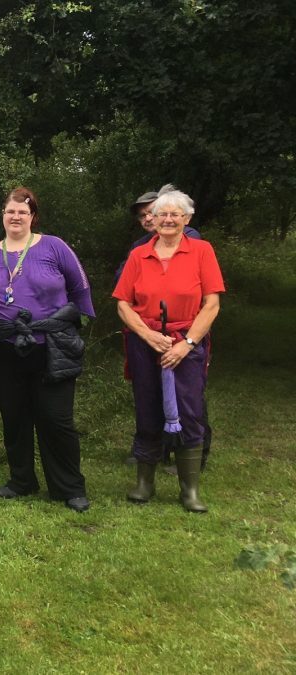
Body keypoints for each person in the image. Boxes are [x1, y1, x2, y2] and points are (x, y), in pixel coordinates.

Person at [0, 187, 94, 512]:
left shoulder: (54, 247)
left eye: (23, 212)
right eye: (11, 211)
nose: (16, 217)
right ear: (3, 215)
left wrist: (73, 326)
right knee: (15, 417)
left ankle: (69, 487)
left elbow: (80, 288)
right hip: (6, 350)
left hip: (50, 347)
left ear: (32, 216)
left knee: (56, 419)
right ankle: (21, 480)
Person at [114, 185, 223, 512]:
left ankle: (189, 490)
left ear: (187, 218)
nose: (168, 220)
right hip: (145, 342)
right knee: (147, 407)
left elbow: (212, 305)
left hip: (185, 342)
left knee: (190, 410)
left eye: (175, 214)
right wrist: (147, 335)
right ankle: (144, 484)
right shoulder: (138, 254)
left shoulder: (203, 251)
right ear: (153, 219)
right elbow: (122, 304)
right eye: (161, 214)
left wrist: (187, 344)